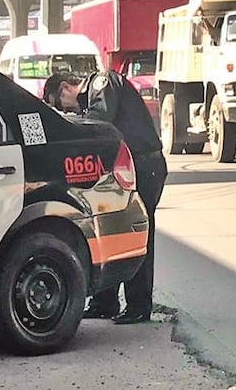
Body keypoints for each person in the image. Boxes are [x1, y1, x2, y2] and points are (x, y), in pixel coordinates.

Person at [59, 69, 168, 325]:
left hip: (143, 164)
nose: (64, 108)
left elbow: (100, 120)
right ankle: (105, 301)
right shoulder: (91, 99)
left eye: (59, 102)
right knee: (109, 230)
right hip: (121, 168)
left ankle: (139, 305)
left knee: (137, 232)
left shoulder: (102, 82)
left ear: (65, 87)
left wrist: (66, 125)